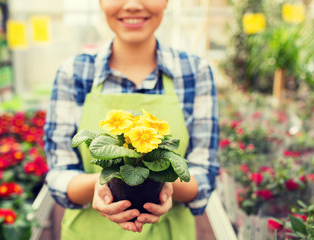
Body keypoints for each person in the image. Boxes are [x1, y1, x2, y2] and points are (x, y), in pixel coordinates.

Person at [44, 0, 220, 239]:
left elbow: (204, 173)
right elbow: (58, 174)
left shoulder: (195, 71)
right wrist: (103, 185)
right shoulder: (74, 73)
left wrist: (165, 184)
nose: (133, 5)